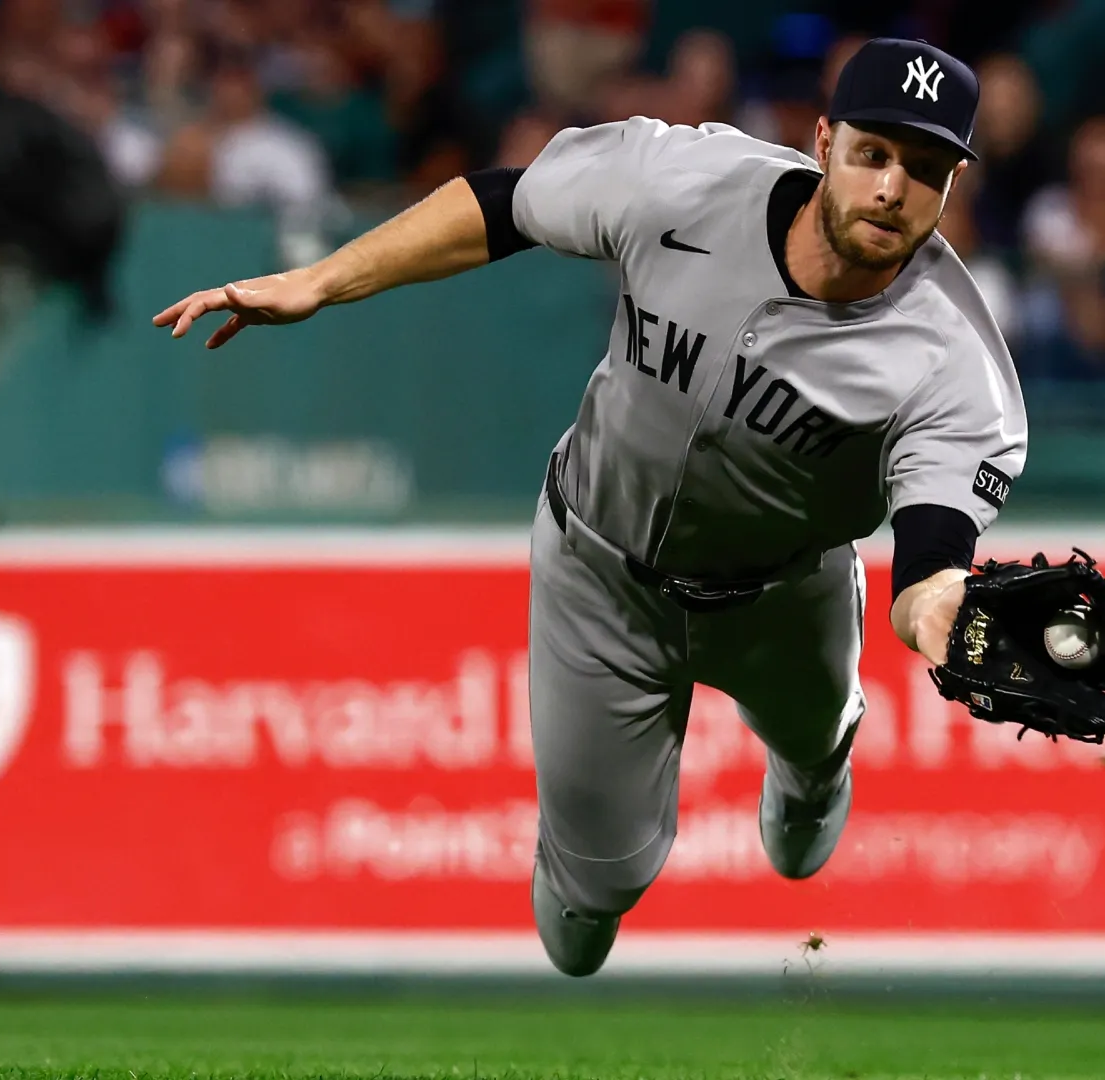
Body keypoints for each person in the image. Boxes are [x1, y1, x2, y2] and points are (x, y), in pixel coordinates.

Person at [153, 39, 1025, 978]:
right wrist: (321, 280)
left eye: (925, 169)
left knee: (812, 755)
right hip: (600, 573)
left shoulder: (954, 364)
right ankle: (638, 853)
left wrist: (949, 621)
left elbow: (932, 557)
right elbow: (506, 204)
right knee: (586, 910)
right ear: (823, 141)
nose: (894, 188)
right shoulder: (683, 180)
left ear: (953, 187)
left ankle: (814, 770)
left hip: (784, 596)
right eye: (874, 154)